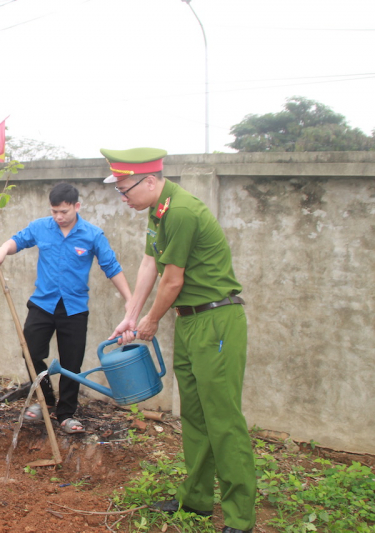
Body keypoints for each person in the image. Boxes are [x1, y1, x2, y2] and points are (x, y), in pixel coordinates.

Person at [103, 148, 255, 533]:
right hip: (189, 322)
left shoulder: (181, 212)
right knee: (195, 415)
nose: (123, 198)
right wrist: (131, 317)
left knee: (223, 418)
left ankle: (240, 518)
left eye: (125, 190)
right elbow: (150, 264)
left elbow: (174, 280)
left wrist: (151, 321)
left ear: (149, 181)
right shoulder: (158, 212)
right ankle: (197, 500)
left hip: (216, 321)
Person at [0, 182, 132, 434]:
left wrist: (129, 299)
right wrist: (2, 250)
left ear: (76, 206)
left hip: (74, 308)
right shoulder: (41, 227)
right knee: (30, 352)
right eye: (54, 211)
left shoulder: (92, 234)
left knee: (71, 363)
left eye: (64, 211)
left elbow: (111, 266)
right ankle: (46, 401)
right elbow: (18, 241)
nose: (58, 217)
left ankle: (66, 414)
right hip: (43, 304)